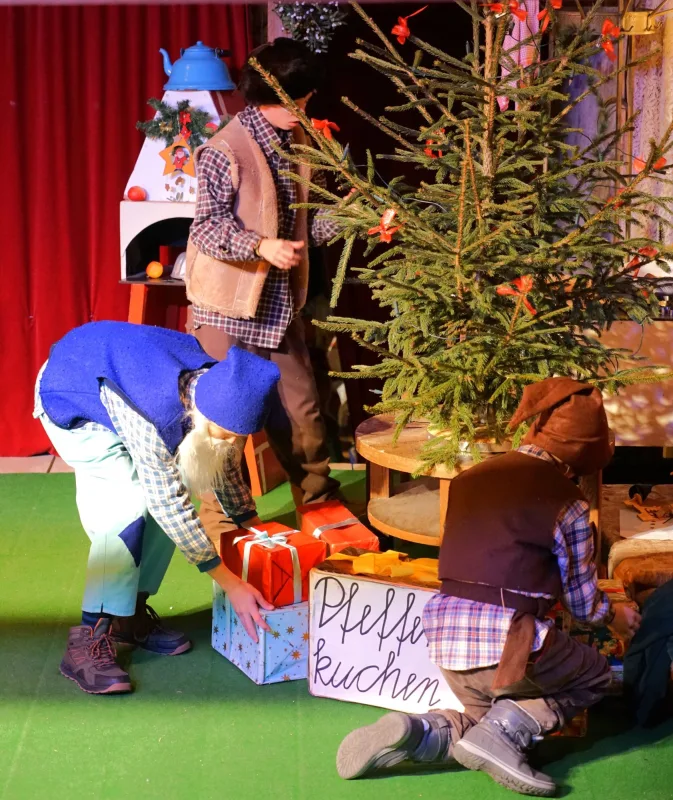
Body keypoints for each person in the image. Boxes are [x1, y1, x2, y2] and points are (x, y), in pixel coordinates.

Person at [335, 378, 642, 796]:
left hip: (444, 639)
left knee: (481, 720)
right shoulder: (567, 503)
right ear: (580, 458)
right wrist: (618, 616)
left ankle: (421, 730)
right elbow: (582, 602)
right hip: (508, 643)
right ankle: (503, 732)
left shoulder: (470, 478)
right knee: (592, 676)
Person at [34, 321, 280, 695]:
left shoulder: (219, 391)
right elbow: (168, 503)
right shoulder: (155, 411)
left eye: (238, 436)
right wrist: (230, 583)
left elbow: (222, 461)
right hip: (74, 396)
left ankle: (128, 614)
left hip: (116, 382)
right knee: (127, 511)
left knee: (165, 500)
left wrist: (255, 527)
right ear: (202, 414)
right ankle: (88, 635)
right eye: (225, 433)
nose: (232, 442)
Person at [185, 37, 340, 540]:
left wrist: (356, 219)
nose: (304, 109)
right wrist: (260, 246)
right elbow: (206, 229)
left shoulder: (297, 145)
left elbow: (304, 230)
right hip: (227, 311)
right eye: (297, 100)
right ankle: (222, 526)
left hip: (278, 310)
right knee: (219, 428)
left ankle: (319, 515)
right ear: (271, 96)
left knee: (304, 417)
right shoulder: (223, 149)